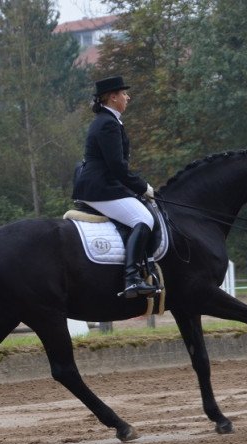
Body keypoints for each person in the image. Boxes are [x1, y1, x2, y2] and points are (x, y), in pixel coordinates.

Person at [72, 75, 157, 299]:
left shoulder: (108, 120)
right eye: (124, 94)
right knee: (144, 219)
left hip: (102, 185)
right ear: (112, 97)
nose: (127, 97)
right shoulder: (108, 123)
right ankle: (131, 279)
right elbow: (117, 166)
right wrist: (142, 186)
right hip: (101, 188)